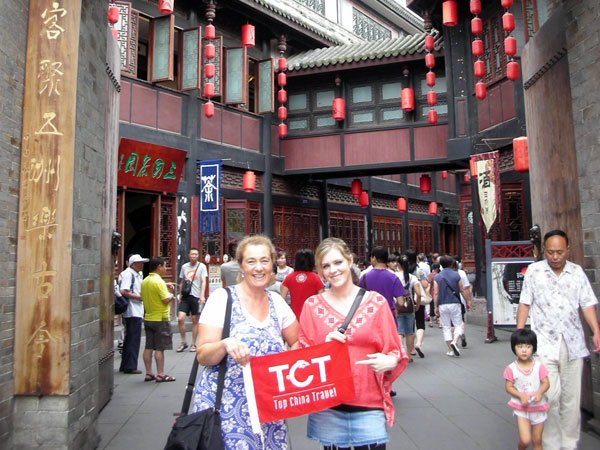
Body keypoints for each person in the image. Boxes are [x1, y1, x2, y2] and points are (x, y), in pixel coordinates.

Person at [299, 238, 408, 450]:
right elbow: (302, 359)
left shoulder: (376, 303)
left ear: (350, 261)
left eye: (338, 262)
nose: (333, 270)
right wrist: (324, 347)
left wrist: (390, 360)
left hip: (368, 404)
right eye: (326, 266)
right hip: (329, 407)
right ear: (320, 271)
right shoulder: (311, 307)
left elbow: (395, 349)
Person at [192, 235, 299, 449]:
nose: (258, 268)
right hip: (224, 407)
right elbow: (203, 355)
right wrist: (224, 344)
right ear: (240, 266)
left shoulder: (277, 302)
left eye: (264, 261)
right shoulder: (222, 299)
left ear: (272, 265)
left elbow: (297, 342)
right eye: (251, 262)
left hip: (267, 408)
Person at [517, 229, 600, 450]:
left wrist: (596, 331)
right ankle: (551, 444)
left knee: (571, 398)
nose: (555, 257)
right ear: (544, 250)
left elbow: (587, 304)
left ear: (568, 250)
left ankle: (569, 443)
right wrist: (519, 335)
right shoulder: (534, 272)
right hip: (544, 344)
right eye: (551, 252)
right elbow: (525, 303)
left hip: (572, 343)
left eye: (560, 252)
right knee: (550, 396)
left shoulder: (577, 272)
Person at [504, 329, 549, 450]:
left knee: (537, 440)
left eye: (528, 346)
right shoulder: (511, 368)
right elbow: (508, 387)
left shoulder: (539, 366)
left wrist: (539, 392)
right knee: (525, 440)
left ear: (533, 348)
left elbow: (546, 383)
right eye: (520, 346)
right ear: (514, 348)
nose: (524, 350)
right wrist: (520, 395)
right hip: (521, 408)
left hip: (538, 407)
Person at [141, 256, 176, 382]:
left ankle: (149, 372)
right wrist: (171, 295)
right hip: (160, 318)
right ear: (159, 267)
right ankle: (161, 373)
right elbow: (165, 299)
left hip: (148, 317)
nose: (165, 268)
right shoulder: (159, 281)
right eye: (164, 266)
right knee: (160, 348)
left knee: (148, 346)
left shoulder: (145, 280)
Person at [433, 255, 468, 357]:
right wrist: (468, 301)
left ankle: (450, 349)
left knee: (446, 326)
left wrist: (435, 306)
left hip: (443, 304)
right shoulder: (456, 275)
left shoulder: (437, 277)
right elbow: (462, 290)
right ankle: (455, 340)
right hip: (455, 302)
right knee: (458, 324)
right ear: (451, 263)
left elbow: (436, 293)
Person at [118, 254, 148, 374]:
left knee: (130, 338)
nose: (142, 265)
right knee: (133, 339)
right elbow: (123, 291)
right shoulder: (129, 274)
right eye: (139, 262)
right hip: (132, 310)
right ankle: (130, 366)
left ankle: (125, 364)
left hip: (136, 310)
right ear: (133, 264)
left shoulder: (136, 274)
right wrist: (138, 297)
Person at [176, 248, 207, 353]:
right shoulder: (184, 267)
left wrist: (202, 295)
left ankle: (194, 344)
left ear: (198, 256)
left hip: (196, 296)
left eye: (196, 254)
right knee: (180, 318)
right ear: (189, 255)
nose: (194, 256)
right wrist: (179, 295)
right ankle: (183, 342)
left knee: (195, 319)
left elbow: (203, 281)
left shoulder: (202, 266)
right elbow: (181, 282)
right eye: (192, 254)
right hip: (185, 296)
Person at [280, 248, 324, 320]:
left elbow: (282, 299)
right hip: (312, 316)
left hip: (294, 317)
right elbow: (322, 299)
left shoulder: (289, 277)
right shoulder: (316, 278)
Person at [397, 254, 422, 359]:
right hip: (409, 307)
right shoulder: (413, 277)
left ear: (398, 265)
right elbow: (419, 293)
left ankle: (400, 353)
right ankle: (408, 355)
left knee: (399, 331)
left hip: (398, 306)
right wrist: (418, 305)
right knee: (409, 332)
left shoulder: (395, 276)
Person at [453, 258, 472, 347]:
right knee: (461, 319)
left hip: (449, 299)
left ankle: (454, 338)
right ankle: (462, 333)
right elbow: (466, 288)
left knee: (452, 321)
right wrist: (468, 300)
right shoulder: (462, 273)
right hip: (461, 298)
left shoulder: (444, 274)